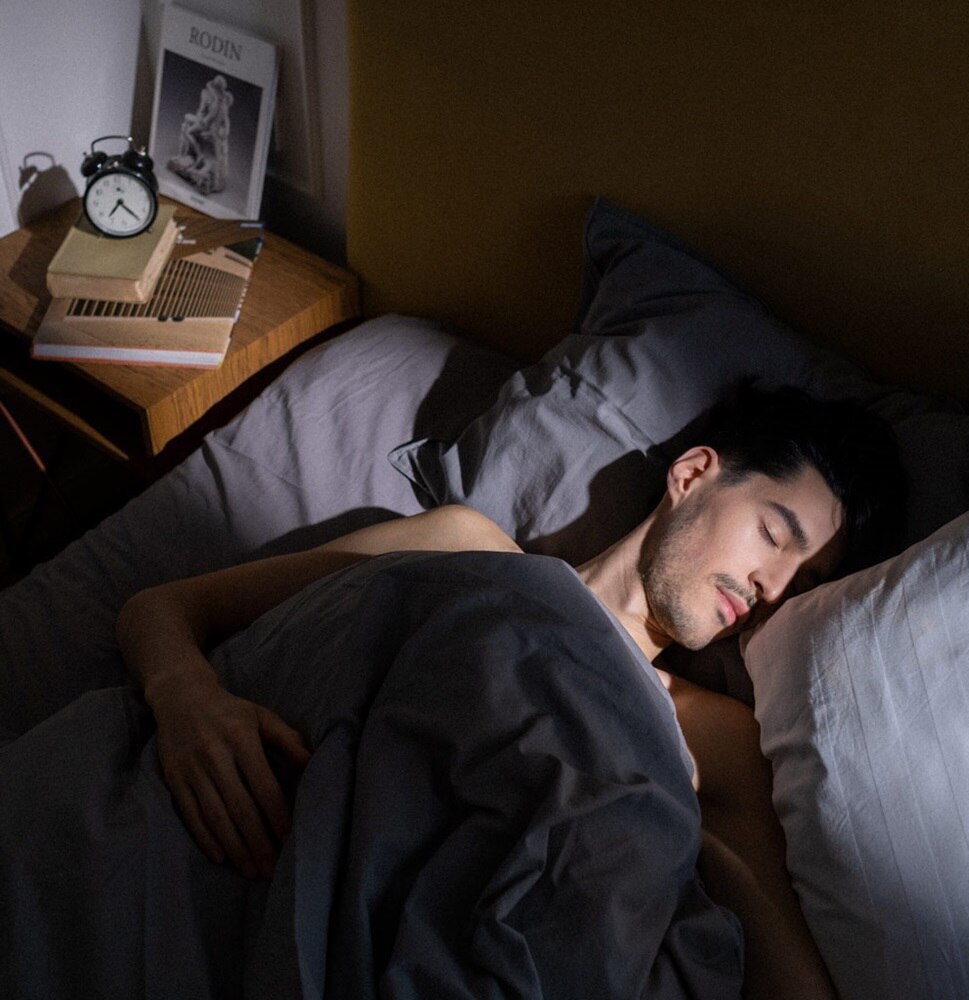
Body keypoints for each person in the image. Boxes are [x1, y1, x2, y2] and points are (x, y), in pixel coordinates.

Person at [116, 383, 903, 999]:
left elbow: (791, 982)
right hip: (225, 862)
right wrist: (190, 700)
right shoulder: (466, 547)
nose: (772, 587)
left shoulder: (711, 734)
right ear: (694, 474)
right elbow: (168, 608)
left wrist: (677, 840)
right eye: (774, 536)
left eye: (803, 582)